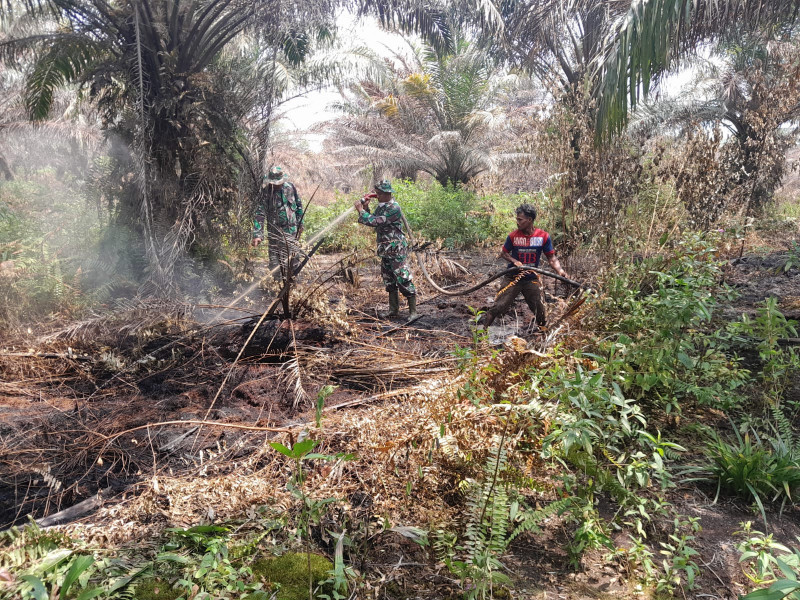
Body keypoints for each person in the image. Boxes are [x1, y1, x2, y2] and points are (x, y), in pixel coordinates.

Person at [480, 204, 568, 329]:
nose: (517, 222)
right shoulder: (513, 236)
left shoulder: (543, 236)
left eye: (520, 220)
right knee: (499, 306)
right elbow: (504, 253)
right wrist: (514, 261)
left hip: (531, 278)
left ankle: (543, 335)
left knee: (539, 308)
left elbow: (551, 258)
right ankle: (481, 334)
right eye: (517, 219)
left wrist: (560, 271)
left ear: (530, 220)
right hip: (513, 278)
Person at [353, 180, 417, 318]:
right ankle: (393, 310)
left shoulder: (394, 208)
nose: (377, 196)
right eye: (376, 193)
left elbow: (376, 221)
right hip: (385, 249)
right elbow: (373, 220)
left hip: (396, 249)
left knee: (402, 277)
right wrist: (366, 208)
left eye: (379, 193)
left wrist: (360, 210)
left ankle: (413, 312)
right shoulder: (381, 206)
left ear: (387, 193)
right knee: (389, 279)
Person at [252, 166, 304, 273]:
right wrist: (257, 235)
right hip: (275, 234)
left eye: (278, 182)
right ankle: (277, 287)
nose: (276, 185)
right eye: (273, 183)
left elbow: (298, 205)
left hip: (291, 233)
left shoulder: (290, 187)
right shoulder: (266, 193)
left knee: (294, 262)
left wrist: (300, 224)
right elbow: (260, 213)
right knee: (276, 265)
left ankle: (293, 285)